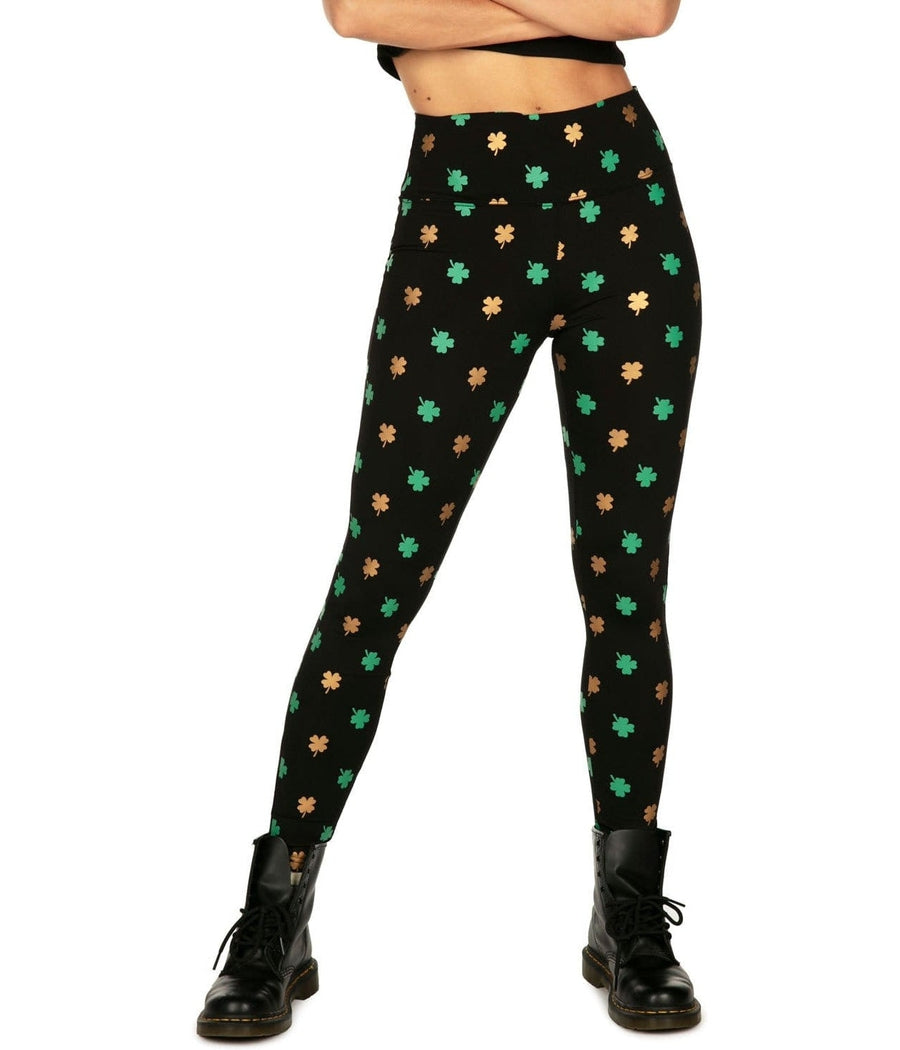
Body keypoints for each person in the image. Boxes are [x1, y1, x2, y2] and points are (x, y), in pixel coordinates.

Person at [197, 0, 703, 1036]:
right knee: (376, 581)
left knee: (626, 583)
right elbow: (355, 12)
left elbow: (645, 10)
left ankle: (630, 915)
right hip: (461, 209)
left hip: (622, 199)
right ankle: (276, 914)